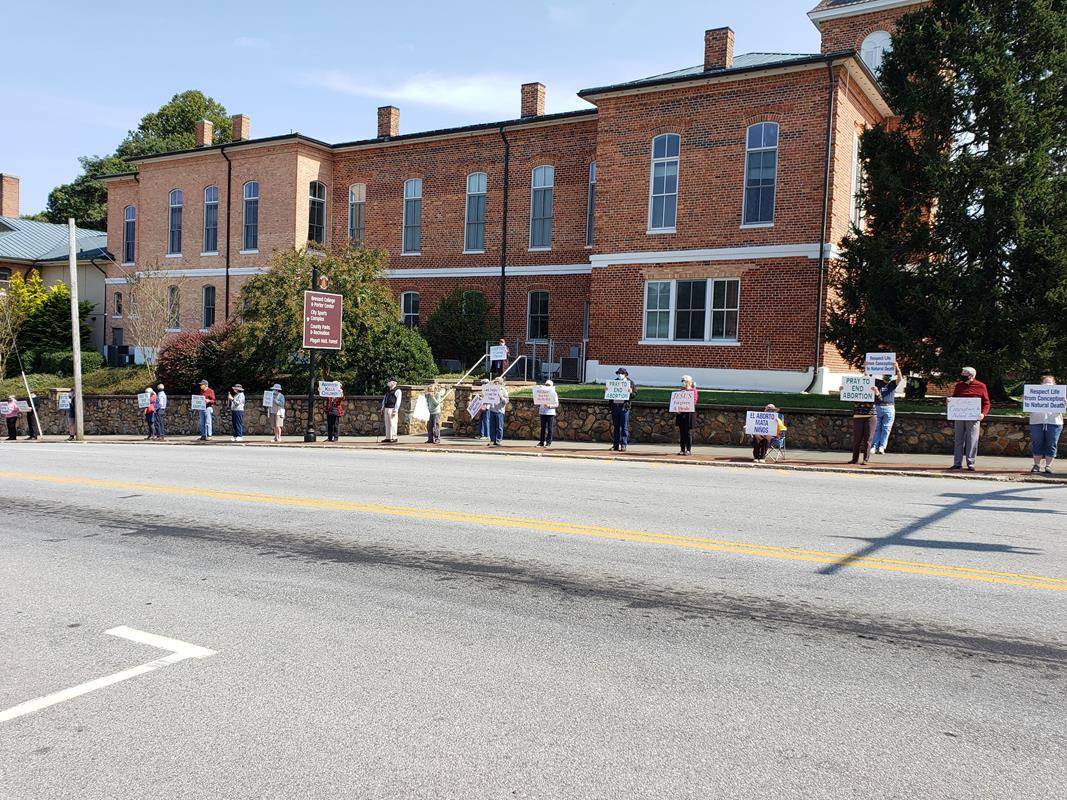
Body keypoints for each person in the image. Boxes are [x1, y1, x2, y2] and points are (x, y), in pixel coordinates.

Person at [950, 366, 990, 471]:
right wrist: (950, 402)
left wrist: (983, 414)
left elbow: (986, 403)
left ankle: (970, 463)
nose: (962, 376)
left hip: (973, 417)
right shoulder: (959, 386)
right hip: (959, 416)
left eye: (964, 374)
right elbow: (954, 398)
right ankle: (957, 463)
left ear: (971, 376)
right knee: (958, 440)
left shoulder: (981, 386)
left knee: (972, 440)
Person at [1029, 375, 1062, 475]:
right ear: (1041, 384)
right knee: (1037, 443)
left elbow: (1062, 409)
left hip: (1055, 422)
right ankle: (1037, 465)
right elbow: (1029, 407)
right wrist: (1027, 400)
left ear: (1054, 384)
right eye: (1045, 382)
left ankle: (1048, 466)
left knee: (1052, 443)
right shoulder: (1034, 394)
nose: (1047, 384)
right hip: (1036, 421)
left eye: (1050, 382)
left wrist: (1064, 403)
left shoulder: (1060, 394)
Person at [872, 361, 903, 454]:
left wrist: (897, 368)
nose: (888, 377)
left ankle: (882, 447)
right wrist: (867, 368)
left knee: (886, 428)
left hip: (889, 408)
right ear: (883, 375)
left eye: (890, 375)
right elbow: (866, 379)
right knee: (876, 428)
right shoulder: (877, 382)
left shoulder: (892, 384)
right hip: (877, 406)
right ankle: (874, 446)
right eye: (886, 374)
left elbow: (900, 378)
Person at [608, 367, 637, 452]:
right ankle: (615, 445)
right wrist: (607, 391)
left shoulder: (630, 383)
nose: (619, 375)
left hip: (624, 407)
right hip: (615, 406)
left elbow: (634, 395)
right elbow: (610, 394)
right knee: (616, 427)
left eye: (621, 373)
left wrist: (631, 392)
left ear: (625, 374)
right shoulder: (614, 382)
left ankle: (623, 445)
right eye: (618, 373)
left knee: (624, 427)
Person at [675, 375, 698, 456]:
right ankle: (682, 449)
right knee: (682, 433)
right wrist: (677, 409)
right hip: (681, 414)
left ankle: (688, 450)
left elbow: (694, 402)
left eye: (684, 381)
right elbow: (677, 402)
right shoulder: (681, 391)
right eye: (682, 381)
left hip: (689, 414)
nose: (682, 383)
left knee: (687, 433)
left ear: (688, 382)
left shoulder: (693, 391)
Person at [850, 395, 875, 465]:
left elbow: (881, 400)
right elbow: (849, 398)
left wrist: (877, 393)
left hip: (870, 416)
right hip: (858, 416)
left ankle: (865, 459)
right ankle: (854, 459)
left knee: (868, 439)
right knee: (857, 439)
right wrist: (844, 391)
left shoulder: (874, 387)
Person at [485, 377, 509, 446]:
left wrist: (501, 397)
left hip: (499, 410)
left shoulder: (503, 390)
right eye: (495, 381)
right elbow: (485, 388)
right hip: (492, 409)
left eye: (497, 381)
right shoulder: (491, 389)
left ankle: (498, 440)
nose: (496, 383)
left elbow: (507, 400)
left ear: (500, 382)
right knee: (492, 426)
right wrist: (491, 382)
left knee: (499, 426)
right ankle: (492, 440)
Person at [537, 379, 558, 447]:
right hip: (542, 412)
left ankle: (548, 442)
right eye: (546, 385)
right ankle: (541, 442)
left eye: (548, 385)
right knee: (543, 428)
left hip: (550, 413)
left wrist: (549, 406)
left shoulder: (554, 393)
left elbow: (557, 404)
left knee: (549, 428)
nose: (547, 386)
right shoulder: (542, 392)